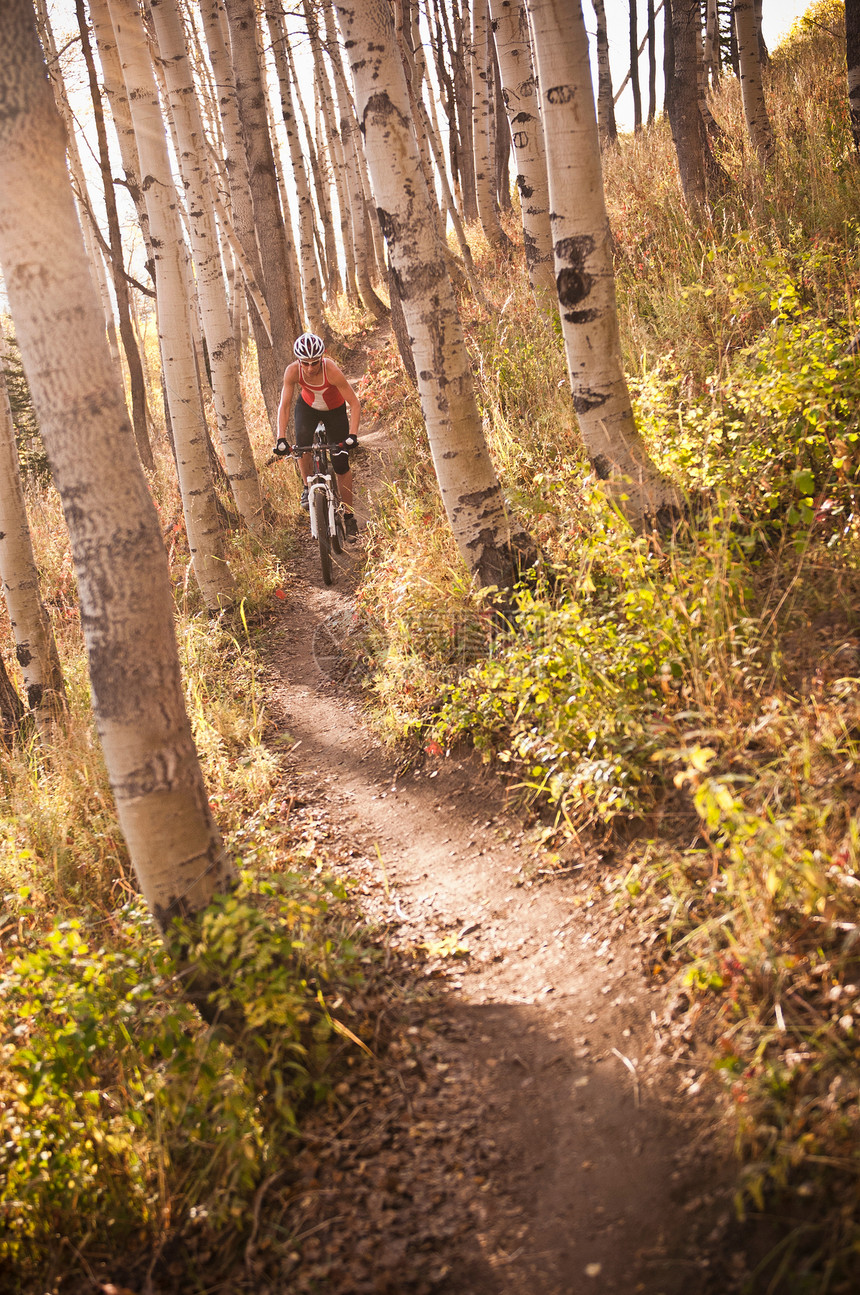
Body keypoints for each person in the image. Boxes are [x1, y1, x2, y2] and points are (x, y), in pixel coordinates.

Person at [273, 332, 361, 540]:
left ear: (322, 358)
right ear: (298, 360)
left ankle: (349, 516)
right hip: (308, 408)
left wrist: (353, 436)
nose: (310, 368)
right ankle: (307, 487)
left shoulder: (331, 371)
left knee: (340, 464)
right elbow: (284, 405)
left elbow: (355, 404)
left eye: (314, 363)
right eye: (305, 363)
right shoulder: (292, 371)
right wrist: (280, 438)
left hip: (335, 411)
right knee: (301, 446)